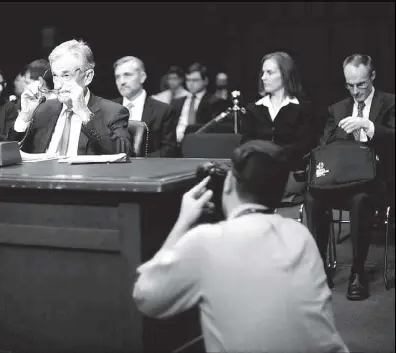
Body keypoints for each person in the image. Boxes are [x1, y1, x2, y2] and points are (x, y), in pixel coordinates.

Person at [133, 140, 349, 352]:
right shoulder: (300, 235)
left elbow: (146, 298)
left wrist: (183, 221)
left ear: (229, 183)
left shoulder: (207, 241)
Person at [306, 54, 395, 300]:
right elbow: (325, 146)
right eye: (350, 85)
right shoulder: (337, 109)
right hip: (341, 181)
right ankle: (320, 267)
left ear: (373, 76)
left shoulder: (390, 103)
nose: (355, 91)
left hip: (377, 183)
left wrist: (369, 127)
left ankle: (358, 271)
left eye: (361, 84)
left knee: (360, 200)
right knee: (313, 197)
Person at [11, 39, 132, 156]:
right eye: (55, 76)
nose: (58, 85)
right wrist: (25, 116)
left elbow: (125, 154)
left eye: (66, 75)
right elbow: (10, 153)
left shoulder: (113, 112)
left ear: (88, 77)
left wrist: (84, 113)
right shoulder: (43, 110)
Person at [240, 52, 319, 201]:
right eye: (263, 73)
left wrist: (272, 157)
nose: (263, 77)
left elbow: (304, 147)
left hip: (291, 172)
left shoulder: (304, 109)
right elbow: (246, 144)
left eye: (269, 72)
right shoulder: (253, 109)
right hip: (258, 171)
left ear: (285, 74)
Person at [113, 56, 178, 157]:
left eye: (127, 75)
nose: (122, 82)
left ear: (142, 77)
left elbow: (169, 150)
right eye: (117, 77)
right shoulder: (107, 109)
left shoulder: (163, 111)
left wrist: (140, 164)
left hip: (149, 170)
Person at [170, 63, 214, 143]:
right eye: (188, 80)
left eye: (195, 80)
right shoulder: (176, 102)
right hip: (175, 143)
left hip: (200, 142)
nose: (190, 84)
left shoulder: (214, 102)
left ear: (205, 81)